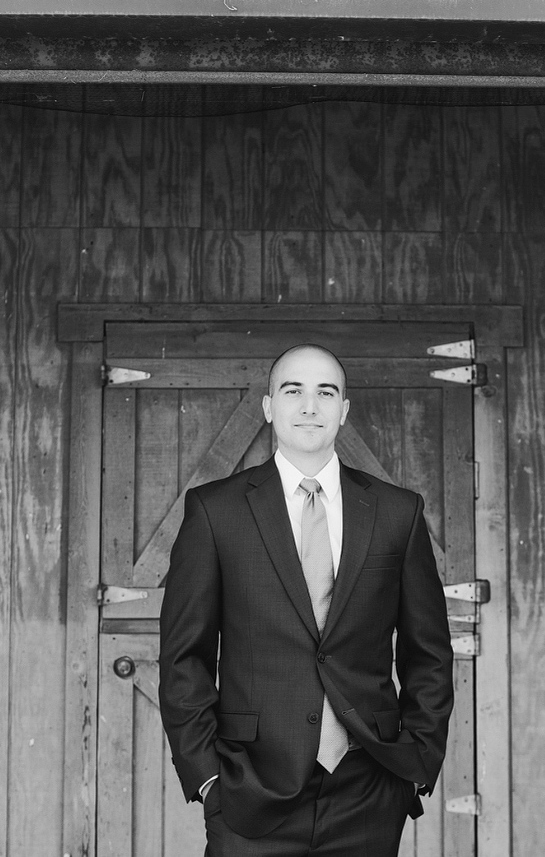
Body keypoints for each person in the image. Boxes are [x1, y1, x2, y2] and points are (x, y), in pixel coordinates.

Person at [159, 343, 455, 856]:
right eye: (293, 391)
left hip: (370, 786)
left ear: (344, 410)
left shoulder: (397, 512)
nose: (309, 406)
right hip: (250, 787)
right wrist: (208, 778)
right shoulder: (215, 511)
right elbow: (185, 655)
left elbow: (427, 651)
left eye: (326, 392)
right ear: (270, 406)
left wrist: (417, 764)